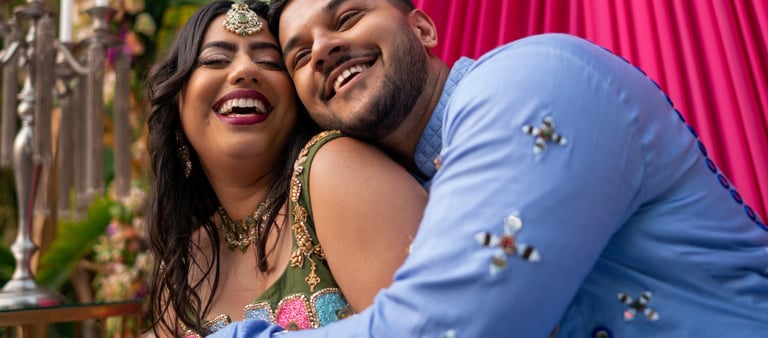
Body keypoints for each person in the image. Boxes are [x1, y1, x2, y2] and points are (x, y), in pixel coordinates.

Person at [209, 0, 768, 337]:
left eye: (348, 17)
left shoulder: (528, 82)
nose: (324, 49)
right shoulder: (403, 191)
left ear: (422, 29)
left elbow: (451, 326)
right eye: (300, 55)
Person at [143, 1, 426, 336]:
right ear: (177, 105)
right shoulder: (188, 258)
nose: (245, 70)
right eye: (216, 59)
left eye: (270, 62)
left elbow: (427, 326)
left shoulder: (330, 169)